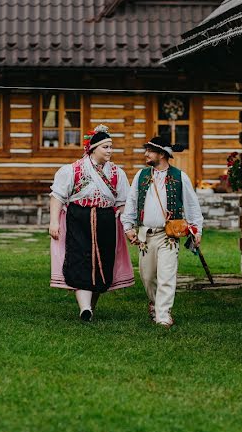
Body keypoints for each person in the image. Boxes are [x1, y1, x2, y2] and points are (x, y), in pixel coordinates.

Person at [49, 124, 134, 322]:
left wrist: (128, 227)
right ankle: (84, 307)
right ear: (93, 148)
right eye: (106, 147)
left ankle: (89, 308)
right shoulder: (72, 170)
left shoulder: (117, 173)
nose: (110, 151)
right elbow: (58, 197)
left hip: (106, 221)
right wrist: (54, 222)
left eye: (111, 146)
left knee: (102, 262)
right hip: (79, 219)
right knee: (80, 259)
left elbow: (122, 204)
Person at [121, 136, 204, 327]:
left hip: (169, 236)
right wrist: (128, 227)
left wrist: (196, 230)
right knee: (147, 276)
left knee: (166, 275)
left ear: (162, 154)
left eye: (149, 151)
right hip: (145, 235)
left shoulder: (179, 177)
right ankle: (154, 302)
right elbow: (132, 203)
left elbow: (192, 206)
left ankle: (163, 315)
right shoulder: (141, 176)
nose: (146, 154)